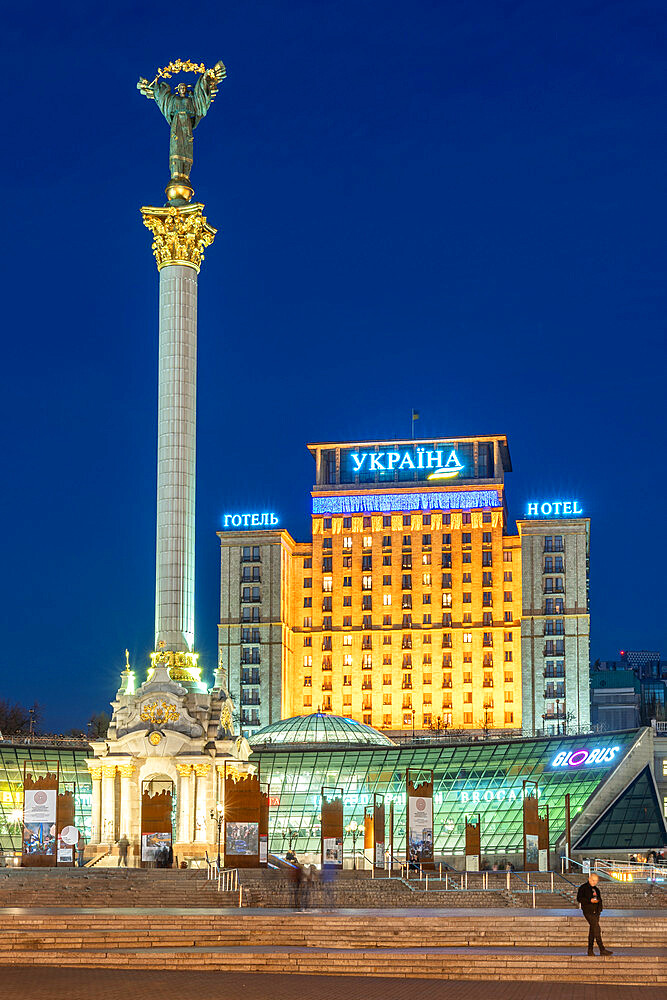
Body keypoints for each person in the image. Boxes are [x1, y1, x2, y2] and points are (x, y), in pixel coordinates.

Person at [576, 873, 613, 956]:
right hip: (588, 911)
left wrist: (599, 910)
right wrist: (590, 900)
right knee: (597, 929)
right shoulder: (583, 888)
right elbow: (579, 898)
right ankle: (602, 949)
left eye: (596, 881)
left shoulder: (596, 889)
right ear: (589, 879)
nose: (594, 882)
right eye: (593, 880)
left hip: (596, 912)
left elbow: (600, 900)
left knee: (593, 930)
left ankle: (590, 950)